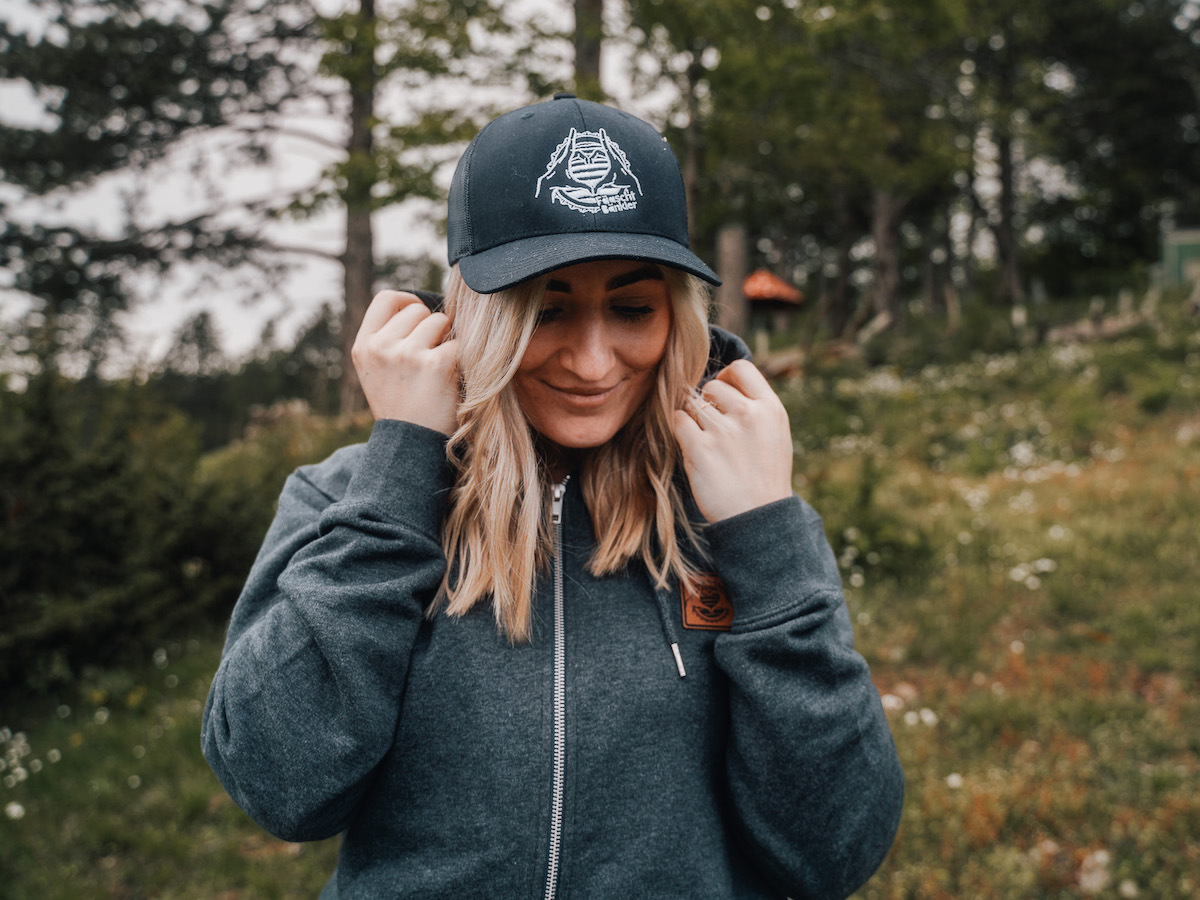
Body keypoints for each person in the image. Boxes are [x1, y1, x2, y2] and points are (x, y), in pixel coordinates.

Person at [202, 93, 903, 900]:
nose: (594, 362)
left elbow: (835, 850)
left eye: (633, 308)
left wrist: (765, 535)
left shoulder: (736, 512)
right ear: (475, 316)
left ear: (676, 316)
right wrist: (400, 473)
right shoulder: (348, 497)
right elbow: (278, 785)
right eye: (547, 309)